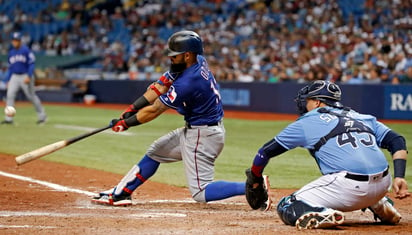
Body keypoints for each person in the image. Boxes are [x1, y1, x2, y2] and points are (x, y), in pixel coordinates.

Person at [92, 30, 263, 207]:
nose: (171, 59)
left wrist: (126, 124)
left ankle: (252, 186)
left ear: (187, 55)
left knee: (200, 192)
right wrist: (133, 108)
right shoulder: (196, 61)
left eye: (175, 55)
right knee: (155, 152)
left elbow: (156, 109)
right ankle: (122, 193)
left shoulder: (189, 82)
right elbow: (160, 86)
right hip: (200, 131)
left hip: (202, 135)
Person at [245, 80, 409, 230]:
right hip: (383, 184)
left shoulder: (307, 121)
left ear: (317, 102)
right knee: (364, 184)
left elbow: (265, 152)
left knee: (287, 205)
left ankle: (324, 214)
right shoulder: (361, 117)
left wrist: (255, 176)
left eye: (307, 100)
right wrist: (399, 176)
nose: (304, 103)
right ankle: (379, 203)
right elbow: (397, 140)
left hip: (349, 188)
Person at [1, 32, 47, 125]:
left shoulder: (26, 50)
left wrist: (29, 76)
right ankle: (8, 118)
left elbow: (31, 64)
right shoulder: (11, 52)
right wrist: (9, 80)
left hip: (25, 75)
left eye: (17, 40)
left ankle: (42, 116)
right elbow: (11, 68)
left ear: (20, 41)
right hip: (14, 76)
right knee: (10, 95)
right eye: (14, 40)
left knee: (31, 96)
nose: (15, 42)